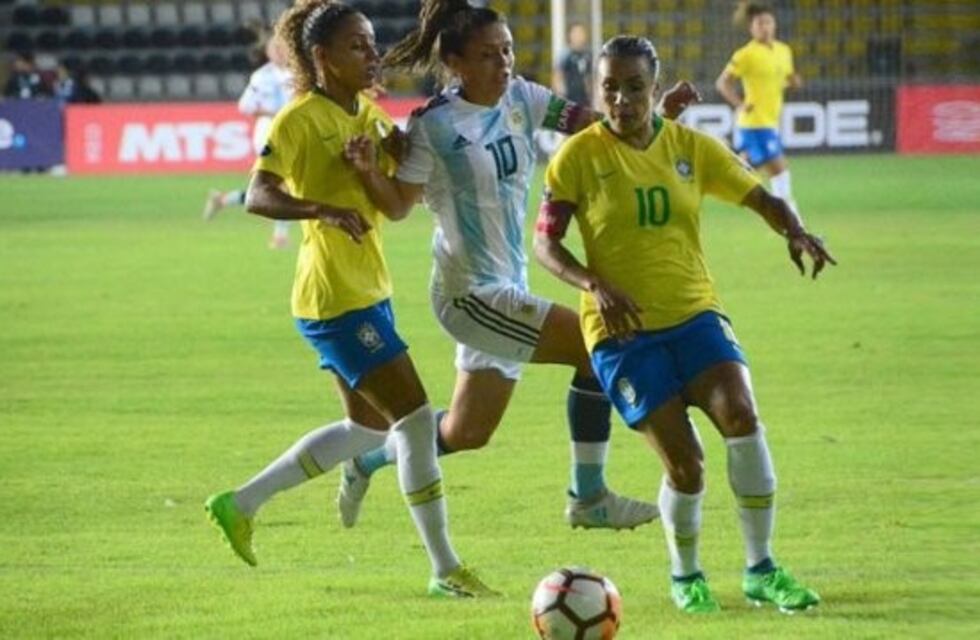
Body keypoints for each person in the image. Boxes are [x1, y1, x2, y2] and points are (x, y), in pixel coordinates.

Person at [337, 0, 698, 533]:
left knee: (466, 431)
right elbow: (397, 205)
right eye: (488, 55)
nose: (504, 62)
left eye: (507, 49)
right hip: (470, 294)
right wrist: (369, 172)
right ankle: (588, 495)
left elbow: (597, 130)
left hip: (507, 284)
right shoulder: (434, 124)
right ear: (456, 63)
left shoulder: (523, 97)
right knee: (597, 342)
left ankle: (366, 461)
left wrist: (656, 114)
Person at [204, 0, 495, 599]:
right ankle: (445, 569)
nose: (372, 53)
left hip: (365, 288)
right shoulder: (299, 119)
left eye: (371, 43)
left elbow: (398, 172)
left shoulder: (363, 108)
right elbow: (259, 195)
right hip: (335, 297)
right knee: (415, 420)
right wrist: (324, 209)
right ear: (321, 57)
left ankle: (240, 503)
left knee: (366, 429)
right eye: (358, 45)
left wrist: (403, 136)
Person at [534, 35, 834, 614]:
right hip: (621, 333)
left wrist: (793, 229)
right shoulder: (576, 156)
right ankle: (686, 574)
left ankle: (760, 568)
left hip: (695, 313)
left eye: (634, 87)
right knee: (686, 464)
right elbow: (546, 244)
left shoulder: (691, 148)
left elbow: (760, 197)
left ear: (654, 86)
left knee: (742, 416)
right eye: (610, 88)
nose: (621, 99)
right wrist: (592, 284)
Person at [203, 30, 296, 250]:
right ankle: (279, 237)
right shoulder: (261, 77)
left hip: (292, 136)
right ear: (268, 52)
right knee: (285, 188)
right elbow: (245, 106)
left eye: (283, 47)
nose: (280, 52)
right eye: (275, 48)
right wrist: (272, 113)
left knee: (274, 189)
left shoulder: (297, 74)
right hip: (267, 137)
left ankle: (224, 200)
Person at [715, 1, 803, 214]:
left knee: (745, 168)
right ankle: (795, 226)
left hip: (771, 121)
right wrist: (740, 104)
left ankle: (719, 165)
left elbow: (790, 77)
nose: (765, 26)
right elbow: (722, 83)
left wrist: (794, 81)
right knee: (780, 171)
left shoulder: (784, 51)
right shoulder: (745, 54)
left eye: (768, 22)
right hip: (754, 123)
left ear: (775, 25)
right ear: (751, 28)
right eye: (760, 23)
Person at [554, 22, 592, 106]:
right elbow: (558, 75)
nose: (579, 36)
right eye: (576, 33)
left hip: (583, 99)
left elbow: (588, 78)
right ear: (570, 36)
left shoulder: (587, 56)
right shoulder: (565, 55)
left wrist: (591, 96)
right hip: (569, 98)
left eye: (581, 33)